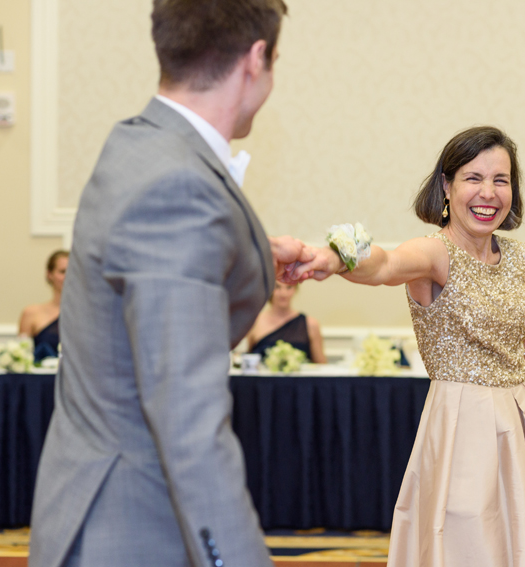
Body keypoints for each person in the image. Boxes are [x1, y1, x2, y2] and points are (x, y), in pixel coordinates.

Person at [27, 2, 316, 566]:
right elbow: (187, 421)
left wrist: (249, 249)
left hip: (91, 503)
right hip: (137, 528)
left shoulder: (136, 141)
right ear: (256, 59)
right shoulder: (180, 189)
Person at [296, 126, 525, 567]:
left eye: (500, 180)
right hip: (463, 430)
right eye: (473, 178)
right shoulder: (435, 253)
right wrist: (334, 258)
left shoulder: (521, 259)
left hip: (522, 428)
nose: (488, 193)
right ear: (446, 185)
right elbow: (385, 264)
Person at [246, 281, 327, 363]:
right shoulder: (254, 322)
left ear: (295, 289)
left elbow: (321, 365)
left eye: (289, 287)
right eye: (277, 287)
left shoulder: (310, 324)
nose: (283, 293)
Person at [18, 250, 69, 362]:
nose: (68, 276)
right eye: (63, 271)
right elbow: (22, 358)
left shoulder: (86, 315)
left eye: (72, 271)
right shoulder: (31, 313)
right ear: (49, 274)